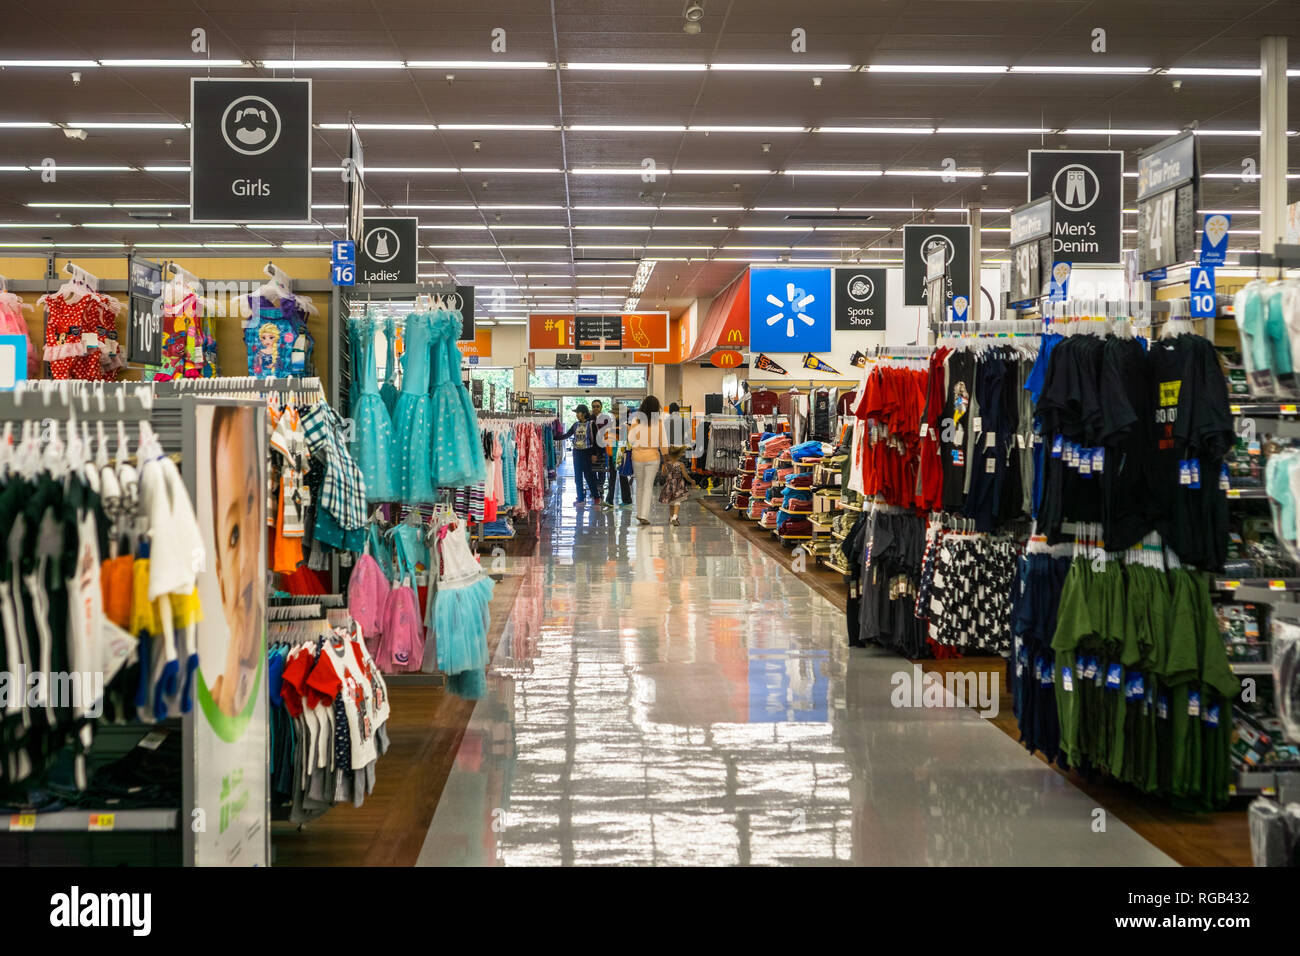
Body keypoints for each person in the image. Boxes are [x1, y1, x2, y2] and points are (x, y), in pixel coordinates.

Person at [627, 394, 667, 525]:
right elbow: (664, 443)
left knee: (639, 486)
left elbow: (630, 440)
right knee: (648, 486)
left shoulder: (636, 421)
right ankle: (644, 514)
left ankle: (639, 513)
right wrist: (666, 460)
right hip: (653, 457)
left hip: (637, 457)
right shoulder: (659, 423)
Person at [559, 404, 598, 506]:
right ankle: (580, 498)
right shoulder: (575, 425)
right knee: (578, 476)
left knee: (589, 476)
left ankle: (596, 496)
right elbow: (567, 435)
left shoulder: (591, 424)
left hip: (587, 452)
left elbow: (596, 440)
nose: (576, 414)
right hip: (577, 452)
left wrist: (594, 454)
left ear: (584, 413)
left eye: (578, 412)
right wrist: (554, 437)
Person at [658, 445, 697, 526]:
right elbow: (685, 475)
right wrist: (692, 481)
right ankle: (675, 517)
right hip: (678, 484)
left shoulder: (666, 465)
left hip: (669, 484)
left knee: (671, 502)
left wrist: (665, 468)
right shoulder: (680, 464)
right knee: (677, 501)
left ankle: (671, 517)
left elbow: (663, 474)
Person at [604, 399, 633, 509]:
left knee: (618, 477)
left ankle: (612, 500)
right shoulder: (617, 423)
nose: (613, 414)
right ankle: (622, 500)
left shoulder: (623, 424)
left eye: (615, 413)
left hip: (619, 452)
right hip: (614, 452)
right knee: (618, 477)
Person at [589, 399, 611, 504]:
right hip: (592, 448)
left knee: (601, 469)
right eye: (593, 406)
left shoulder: (606, 419)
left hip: (602, 447)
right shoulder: (590, 418)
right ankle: (595, 489)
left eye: (597, 406)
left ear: (601, 407)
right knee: (592, 470)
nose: (595, 408)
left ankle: (600, 487)